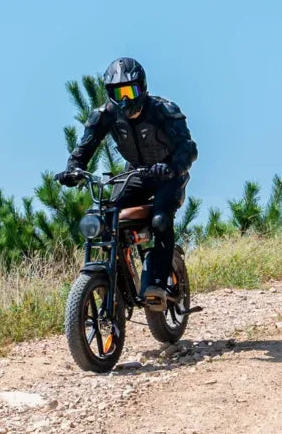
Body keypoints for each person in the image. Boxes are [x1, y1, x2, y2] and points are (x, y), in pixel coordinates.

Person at [59, 57, 198, 310]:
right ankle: (113, 278)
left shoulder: (163, 111)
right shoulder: (104, 116)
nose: (124, 98)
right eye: (117, 92)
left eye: (129, 90)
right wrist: (73, 169)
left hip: (168, 175)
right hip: (136, 175)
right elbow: (84, 148)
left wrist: (172, 167)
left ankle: (157, 282)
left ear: (142, 88)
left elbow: (188, 148)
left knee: (160, 220)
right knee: (104, 216)